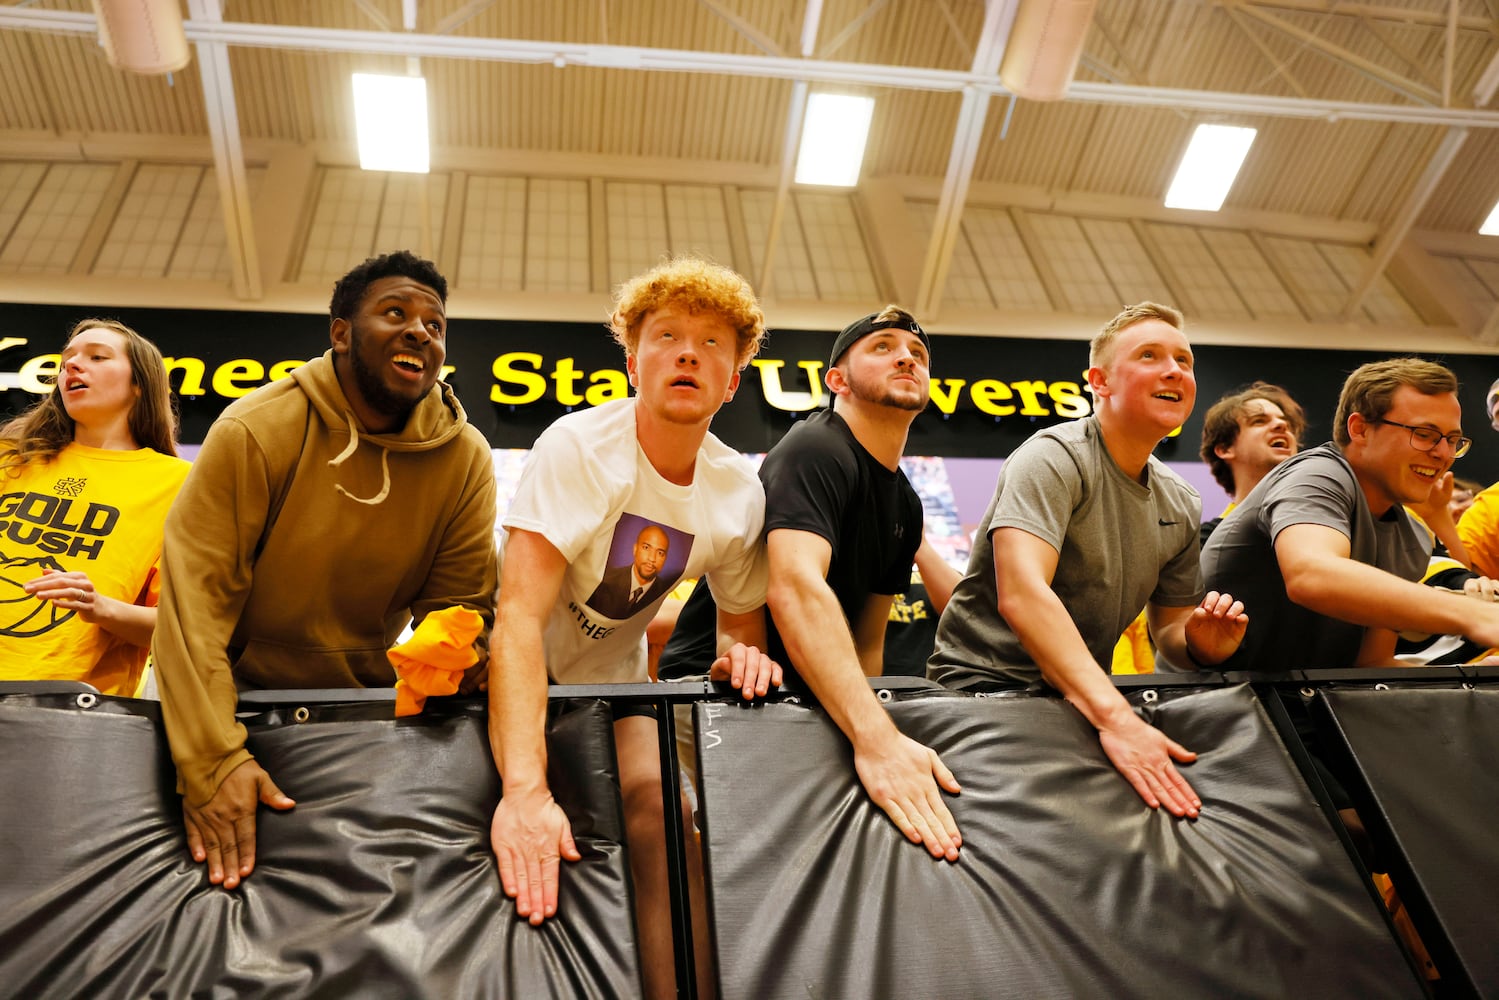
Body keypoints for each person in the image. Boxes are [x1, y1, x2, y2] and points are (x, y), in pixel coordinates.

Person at [153, 250, 498, 891]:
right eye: (394, 312)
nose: (420, 331)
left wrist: (450, 673)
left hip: (358, 711)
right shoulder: (256, 428)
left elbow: (458, 609)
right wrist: (213, 762)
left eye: (435, 323)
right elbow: (194, 608)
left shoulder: (464, 456)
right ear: (340, 332)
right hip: (232, 703)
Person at [487, 257, 779, 1000]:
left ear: (734, 378)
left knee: (666, 815)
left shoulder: (737, 491)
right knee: (493, 826)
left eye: (712, 343)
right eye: (668, 335)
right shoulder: (579, 447)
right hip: (498, 674)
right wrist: (523, 789)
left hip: (608, 686)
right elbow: (516, 620)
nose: (688, 352)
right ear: (632, 361)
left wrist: (739, 663)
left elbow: (741, 630)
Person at [659, 306, 966, 862]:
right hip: (717, 691)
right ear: (836, 380)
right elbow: (795, 588)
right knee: (766, 864)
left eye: (918, 354)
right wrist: (873, 740)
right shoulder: (815, 448)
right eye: (883, 347)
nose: (906, 357)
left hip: (806, 704)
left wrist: (869, 728)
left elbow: (867, 638)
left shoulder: (907, 502)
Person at [929, 302, 1247, 819]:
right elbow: (1023, 594)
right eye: (1150, 355)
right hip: (984, 691)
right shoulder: (1053, 456)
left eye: (1184, 361)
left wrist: (1200, 643)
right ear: (1100, 381)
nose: (1174, 370)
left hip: (1077, 702)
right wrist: (1115, 718)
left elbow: (1170, 631)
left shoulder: (1182, 501)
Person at [1201, 357, 1499, 672]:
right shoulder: (1316, 473)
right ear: (1359, 429)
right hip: (1217, 704)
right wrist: (1470, 613)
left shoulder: (1411, 535)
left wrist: (1475, 676)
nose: (1443, 453)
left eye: (1453, 441)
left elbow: (1371, 664)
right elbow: (1310, 575)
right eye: (1424, 434)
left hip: (1306, 703)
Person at [0, 318, 188, 696]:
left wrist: (99, 607)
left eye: (98, 357)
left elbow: (182, 626)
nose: (71, 365)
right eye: (66, 359)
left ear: (140, 384)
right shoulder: (11, 456)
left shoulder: (179, 484)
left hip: (71, 712)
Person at [1197, 381, 1305, 546]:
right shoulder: (1204, 542)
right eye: (1259, 421)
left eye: (1287, 424)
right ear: (1225, 449)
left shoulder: (1327, 528)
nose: (1282, 425)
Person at [586, 522, 674, 619]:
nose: (652, 558)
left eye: (660, 553)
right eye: (646, 547)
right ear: (635, 549)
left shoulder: (665, 591)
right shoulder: (605, 579)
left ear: (665, 558)